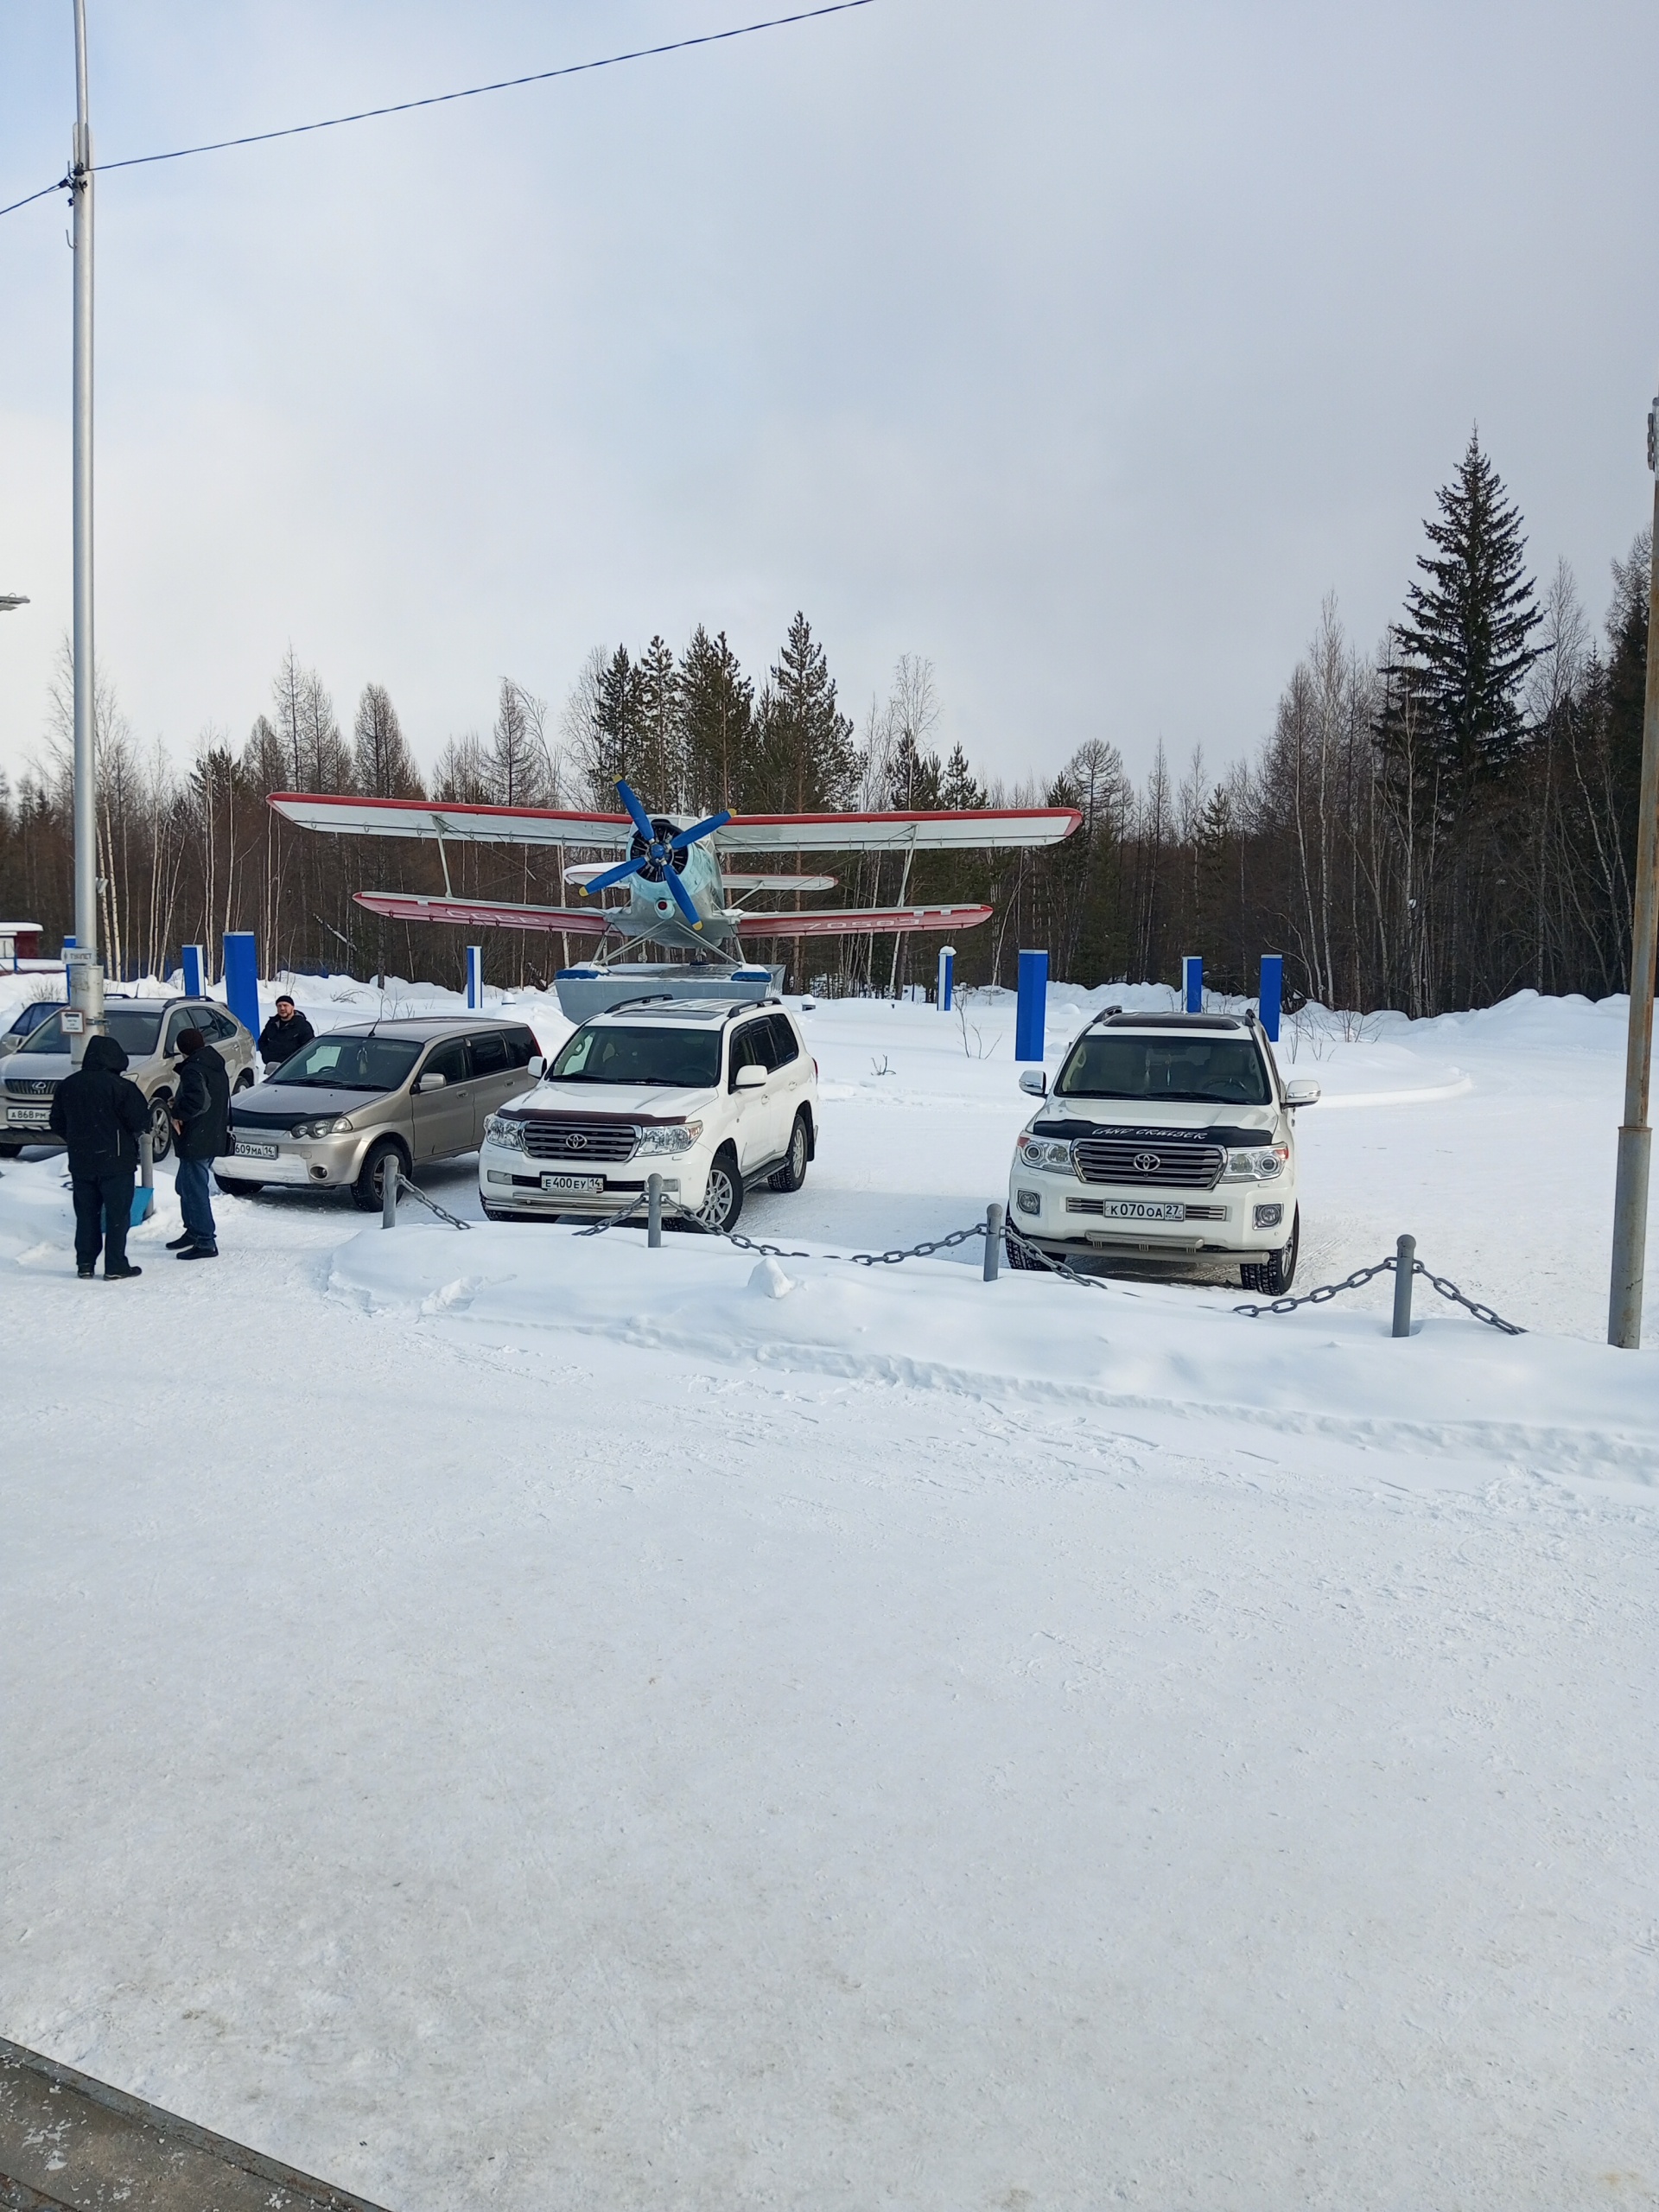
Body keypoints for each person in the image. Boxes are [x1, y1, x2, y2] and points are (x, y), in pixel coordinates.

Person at [47, 1031, 150, 1280]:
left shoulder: (69, 1085)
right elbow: (140, 1121)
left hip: (81, 1161)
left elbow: (56, 1122)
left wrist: (77, 1140)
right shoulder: (123, 1088)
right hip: (116, 1162)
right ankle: (115, 1266)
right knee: (117, 1215)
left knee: (86, 1215)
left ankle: (85, 1264)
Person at [169, 1029, 230, 1260]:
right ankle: (193, 1231)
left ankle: (205, 1241)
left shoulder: (193, 1069)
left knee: (194, 1190)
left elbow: (200, 1101)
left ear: (182, 1048)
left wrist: (179, 1112)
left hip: (196, 1136)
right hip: (212, 1132)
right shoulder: (214, 1064)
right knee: (185, 1186)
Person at [257, 995, 315, 1071]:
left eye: (285, 1005)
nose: (282, 1008)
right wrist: (267, 1056)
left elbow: (310, 1048)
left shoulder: (302, 1025)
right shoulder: (272, 1023)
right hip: (273, 1068)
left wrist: (295, 1062)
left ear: (293, 1007)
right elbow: (262, 1041)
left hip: (295, 1070)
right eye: (279, 1006)